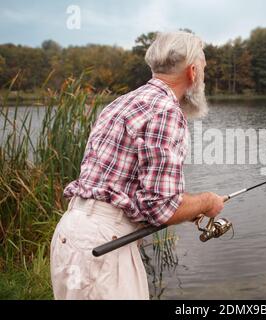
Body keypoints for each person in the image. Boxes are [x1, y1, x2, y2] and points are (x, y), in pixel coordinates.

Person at [50, 31, 226, 300]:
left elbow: (129, 190)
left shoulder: (122, 103)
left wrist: (185, 209)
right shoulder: (166, 110)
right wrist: (206, 202)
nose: (204, 72)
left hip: (70, 234)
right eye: (203, 66)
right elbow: (161, 208)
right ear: (192, 72)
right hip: (102, 245)